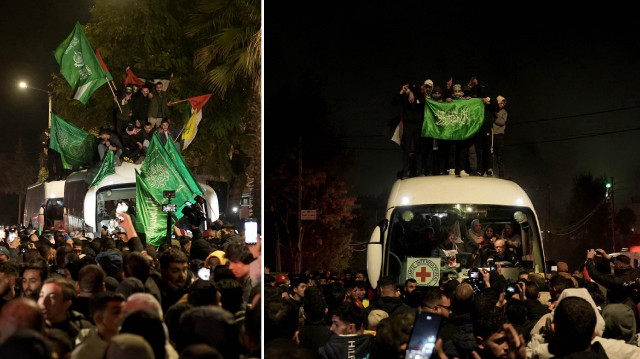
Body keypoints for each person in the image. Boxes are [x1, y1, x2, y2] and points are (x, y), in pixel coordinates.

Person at [491, 95, 508, 178]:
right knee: (491, 154)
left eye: (504, 103)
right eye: (501, 103)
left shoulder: (504, 112)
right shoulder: (493, 111)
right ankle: (489, 171)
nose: (503, 104)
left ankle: (501, 174)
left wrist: (495, 117)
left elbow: (502, 122)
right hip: (492, 134)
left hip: (500, 135)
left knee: (499, 155)